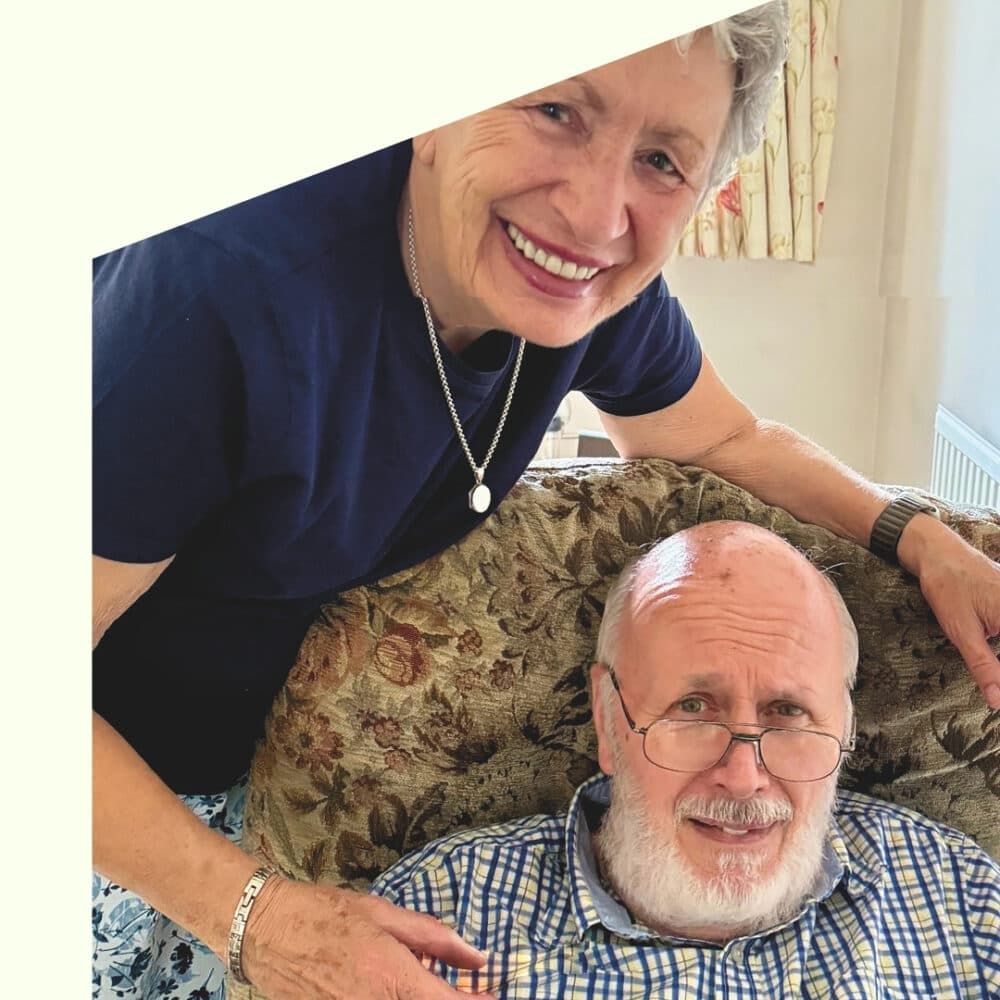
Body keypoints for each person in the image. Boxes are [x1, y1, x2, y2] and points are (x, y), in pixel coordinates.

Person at [91, 3, 1000, 998]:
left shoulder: (580, 288)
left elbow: (723, 438)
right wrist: (250, 910)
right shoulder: (216, 291)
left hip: (265, 760)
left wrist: (916, 536)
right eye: (557, 109)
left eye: (662, 160)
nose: (595, 211)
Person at [371, 522, 1000, 999]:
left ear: (847, 725)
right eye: (693, 707)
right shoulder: (437, 915)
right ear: (608, 717)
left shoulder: (964, 900)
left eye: (788, 712)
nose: (744, 777)